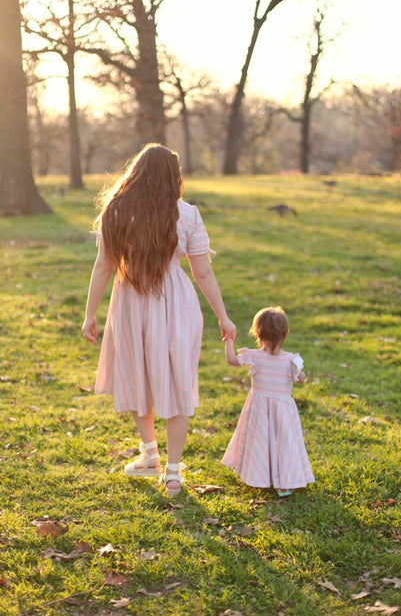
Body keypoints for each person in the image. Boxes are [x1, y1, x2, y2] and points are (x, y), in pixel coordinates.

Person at [82, 143, 236, 496]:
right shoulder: (187, 214)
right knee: (176, 380)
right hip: (175, 302)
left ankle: (150, 454)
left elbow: (104, 265)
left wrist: (91, 312)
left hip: (131, 300)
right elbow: (203, 274)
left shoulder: (116, 210)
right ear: (173, 177)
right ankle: (172, 471)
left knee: (139, 376)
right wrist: (223, 317)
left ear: (135, 172)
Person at [221, 306, 314, 496]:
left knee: (260, 441)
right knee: (284, 443)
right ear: (286, 333)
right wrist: (299, 373)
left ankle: (260, 474)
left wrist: (229, 340)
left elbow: (231, 360)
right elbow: (302, 378)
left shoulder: (253, 356)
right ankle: (286, 481)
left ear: (257, 333)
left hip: (259, 408)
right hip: (283, 410)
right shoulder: (291, 361)